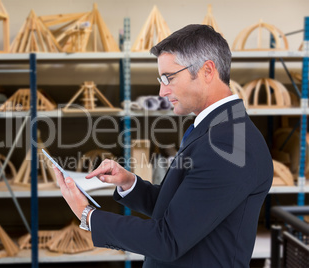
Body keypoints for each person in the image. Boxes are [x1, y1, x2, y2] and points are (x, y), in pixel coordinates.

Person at [53, 24, 273, 267]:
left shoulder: (229, 144)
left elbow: (168, 240)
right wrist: (130, 183)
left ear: (207, 71)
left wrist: (87, 215)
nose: (162, 90)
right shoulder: (216, 128)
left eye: (169, 78)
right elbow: (183, 208)